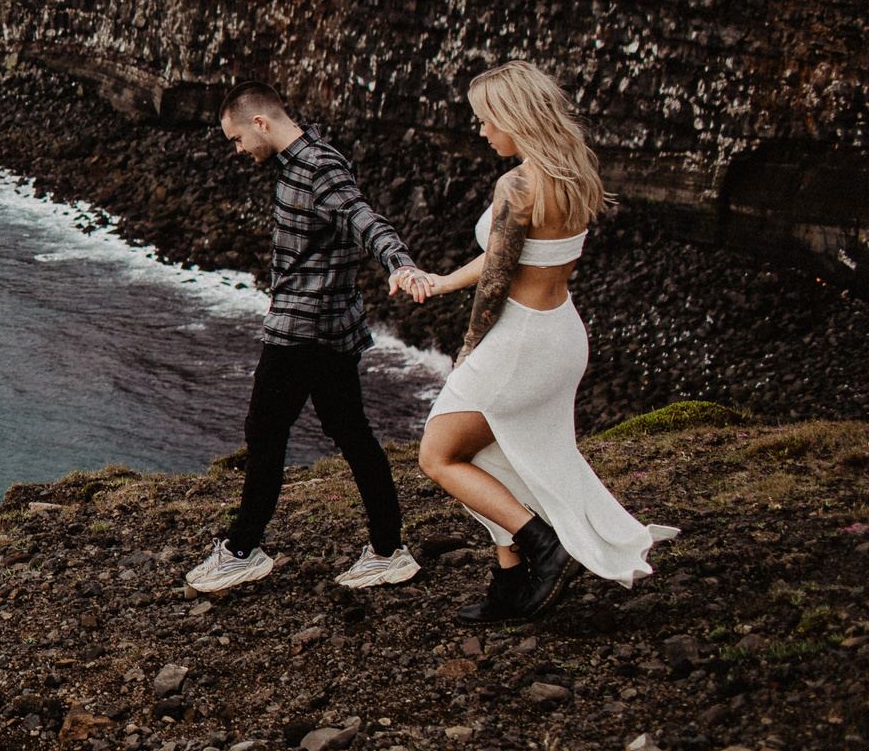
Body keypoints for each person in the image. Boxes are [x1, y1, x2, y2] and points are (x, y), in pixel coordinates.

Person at [408, 61, 676, 622]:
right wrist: (442, 281)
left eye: (486, 120)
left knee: (437, 455)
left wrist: (468, 349)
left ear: (513, 117)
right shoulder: (572, 171)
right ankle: (508, 580)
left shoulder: (519, 184)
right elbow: (514, 254)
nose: (481, 132)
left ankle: (543, 545)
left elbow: (499, 280)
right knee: (489, 454)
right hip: (560, 332)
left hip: (518, 340)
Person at [185, 83, 428, 595]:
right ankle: (389, 550)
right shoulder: (301, 163)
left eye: (235, 140)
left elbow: (366, 220)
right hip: (328, 323)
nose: (237, 151)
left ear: (260, 124)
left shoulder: (318, 166)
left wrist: (400, 263)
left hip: (303, 328)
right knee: (351, 433)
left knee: (265, 429)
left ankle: (242, 551)